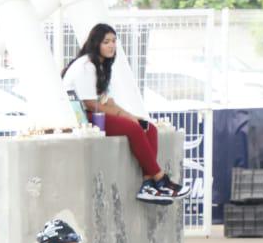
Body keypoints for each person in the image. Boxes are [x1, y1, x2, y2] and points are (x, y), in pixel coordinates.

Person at [64, 24, 180, 205]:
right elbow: (91, 103)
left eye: (114, 41)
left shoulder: (101, 66)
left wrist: (132, 116)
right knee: (133, 128)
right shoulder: (87, 65)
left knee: (149, 128)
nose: (111, 46)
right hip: (82, 117)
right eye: (106, 42)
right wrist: (128, 119)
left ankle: (148, 185)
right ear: (96, 44)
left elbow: (106, 102)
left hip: (93, 112)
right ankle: (161, 178)